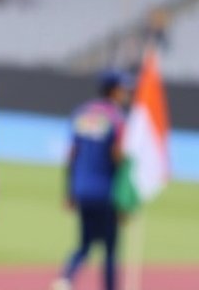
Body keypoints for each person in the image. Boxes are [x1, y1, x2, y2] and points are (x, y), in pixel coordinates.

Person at [53, 69, 129, 290]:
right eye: (123, 89)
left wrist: (69, 190)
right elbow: (118, 156)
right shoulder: (117, 118)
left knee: (84, 244)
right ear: (114, 90)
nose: (125, 93)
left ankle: (65, 279)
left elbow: (72, 154)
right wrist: (125, 198)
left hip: (82, 189)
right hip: (106, 192)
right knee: (110, 249)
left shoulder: (82, 113)